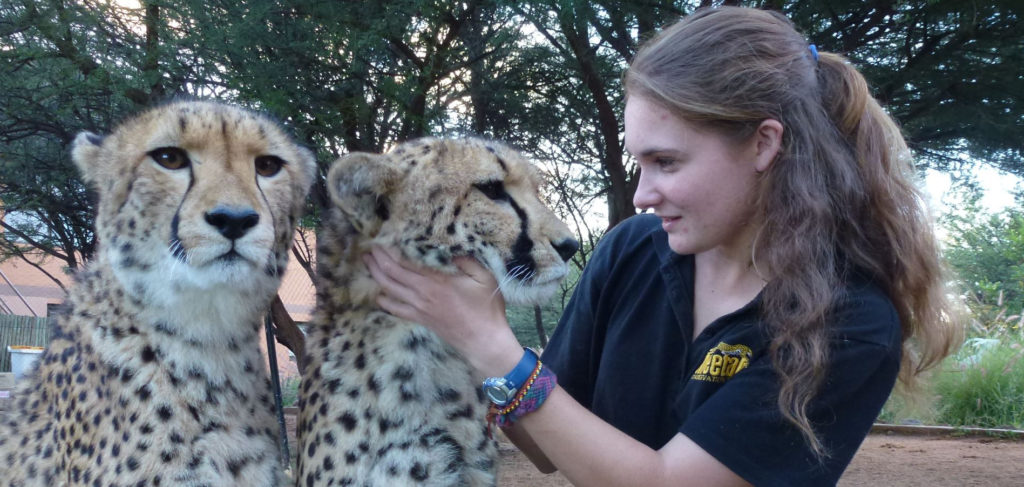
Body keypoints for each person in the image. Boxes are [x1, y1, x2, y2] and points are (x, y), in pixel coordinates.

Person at [364, 6, 960, 486]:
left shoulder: (849, 319)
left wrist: (490, 343)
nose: (643, 194)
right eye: (638, 163)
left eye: (666, 162)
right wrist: (441, 322)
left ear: (763, 144)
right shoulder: (633, 250)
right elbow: (546, 441)